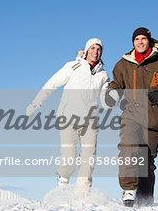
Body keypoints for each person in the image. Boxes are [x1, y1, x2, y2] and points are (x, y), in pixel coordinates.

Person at [106, 27, 158, 207]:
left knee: (147, 160)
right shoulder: (123, 64)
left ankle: (146, 198)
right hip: (131, 115)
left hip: (153, 116)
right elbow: (116, 83)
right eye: (136, 39)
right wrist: (111, 94)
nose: (140, 42)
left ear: (149, 40)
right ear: (132, 42)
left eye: (143, 39)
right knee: (129, 147)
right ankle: (129, 189)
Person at [26, 38, 109, 192]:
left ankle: (83, 193)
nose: (95, 52)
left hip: (90, 121)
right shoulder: (73, 66)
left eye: (99, 49)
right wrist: (36, 104)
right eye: (92, 48)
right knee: (68, 159)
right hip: (68, 117)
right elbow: (51, 84)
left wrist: (114, 99)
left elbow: (106, 100)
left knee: (89, 159)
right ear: (86, 51)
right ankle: (62, 185)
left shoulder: (103, 75)